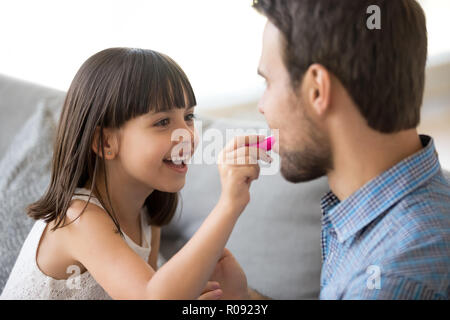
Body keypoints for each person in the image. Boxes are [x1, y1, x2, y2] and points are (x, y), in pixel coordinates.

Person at [210, 0, 450, 299]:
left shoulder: (390, 280)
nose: (262, 107)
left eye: (268, 83)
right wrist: (244, 299)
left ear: (317, 90)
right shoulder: (409, 205)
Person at [0, 48, 271, 299]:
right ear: (106, 143)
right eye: (163, 122)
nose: (188, 135)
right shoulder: (78, 218)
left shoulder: (147, 218)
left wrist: (235, 297)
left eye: (189, 116)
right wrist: (229, 204)